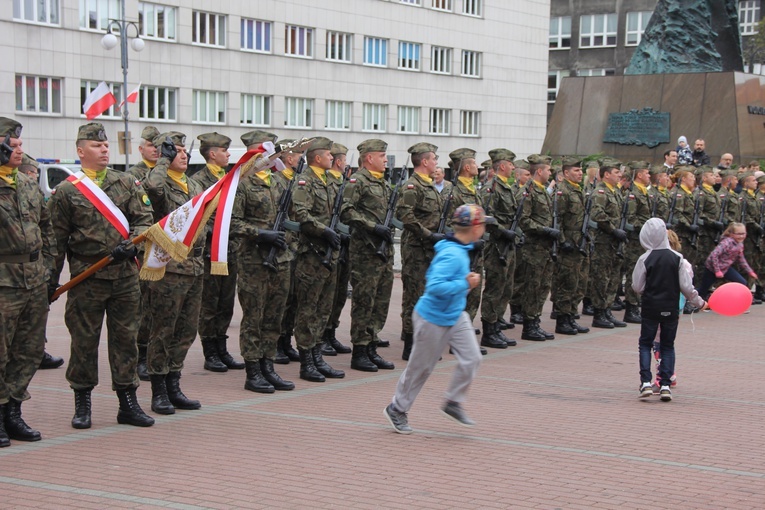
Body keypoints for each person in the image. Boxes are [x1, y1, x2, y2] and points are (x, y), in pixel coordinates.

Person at [49, 122, 154, 429]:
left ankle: (128, 403)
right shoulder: (67, 192)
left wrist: (131, 246)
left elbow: (145, 222)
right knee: (83, 342)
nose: (104, 149)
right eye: (96, 146)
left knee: (126, 340)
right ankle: (82, 403)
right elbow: (56, 241)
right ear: (81, 151)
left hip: (124, 276)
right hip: (86, 278)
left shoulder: (127, 183)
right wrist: (50, 282)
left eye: (106, 145)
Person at [384, 204, 490, 434]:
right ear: (474, 228)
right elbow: (435, 286)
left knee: (472, 358)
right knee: (421, 368)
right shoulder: (452, 254)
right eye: (482, 225)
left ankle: (453, 402)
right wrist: (466, 283)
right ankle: (397, 408)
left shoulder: (462, 248)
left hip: (455, 314)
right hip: (432, 317)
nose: (484, 229)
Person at [0, 118, 56, 446]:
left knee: (30, 349)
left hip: (33, 280)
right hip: (4, 282)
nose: (21, 150)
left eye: (21, 145)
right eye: (14, 145)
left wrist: (47, 268)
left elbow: (46, 227)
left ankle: (14, 412)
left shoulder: (26, 183)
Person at [143, 132, 205, 414]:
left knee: (185, 331)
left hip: (193, 267)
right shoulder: (162, 182)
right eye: (176, 151)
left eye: (183, 150)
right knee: (163, 330)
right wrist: (163, 160)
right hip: (168, 268)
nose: (183, 155)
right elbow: (153, 188)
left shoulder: (193, 184)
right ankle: (158, 389)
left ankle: (173, 383)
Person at [229, 142, 293, 393]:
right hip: (254, 260)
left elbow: (291, 219)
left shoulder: (279, 182)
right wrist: (260, 234)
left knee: (274, 317)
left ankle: (268, 365)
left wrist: (287, 242)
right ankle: (253, 370)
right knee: (254, 318)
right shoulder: (242, 184)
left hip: (281, 259)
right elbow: (232, 223)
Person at [632, 218, 707, 402]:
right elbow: (687, 288)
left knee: (645, 344)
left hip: (651, 307)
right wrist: (700, 303)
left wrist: (649, 289)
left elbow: (636, 285)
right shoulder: (677, 258)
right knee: (667, 345)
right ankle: (665, 384)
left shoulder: (645, 258)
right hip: (671, 308)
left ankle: (646, 382)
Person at [290, 137, 346, 382]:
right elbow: (300, 214)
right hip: (312, 254)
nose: (332, 158)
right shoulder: (305, 181)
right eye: (327, 154)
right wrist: (324, 230)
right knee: (308, 309)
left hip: (330, 254)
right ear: (316, 158)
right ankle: (306, 361)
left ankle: (317, 355)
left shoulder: (330, 183)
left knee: (324, 308)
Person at [340, 139, 397, 372]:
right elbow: (346, 211)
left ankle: (372, 346)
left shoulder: (382, 183)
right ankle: (360, 351)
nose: (386, 159)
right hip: (365, 252)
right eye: (382, 155)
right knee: (364, 302)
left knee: (380, 302)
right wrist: (373, 227)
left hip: (383, 252)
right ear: (369, 158)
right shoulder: (358, 181)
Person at [191, 132, 245, 373]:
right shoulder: (199, 181)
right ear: (212, 154)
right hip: (211, 250)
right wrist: (220, 231)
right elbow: (199, 216)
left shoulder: (231, 179)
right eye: (224, 151)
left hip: (231, 248)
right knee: (209, 302)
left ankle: (221, 347)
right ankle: (210, 351)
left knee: (226, 302)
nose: (228, 155)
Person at [396, 142, 443, 360]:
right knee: (414, 296)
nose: (436, 163)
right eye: (434, 159)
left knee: (428, 295)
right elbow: (406, 217)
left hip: (431, 249)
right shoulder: (412, 187)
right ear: (424, 161)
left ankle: (424, 342)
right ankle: (411, 344)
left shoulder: (430, 185)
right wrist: (428, 234)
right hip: (416, 249)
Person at [17, 153, 65, 370]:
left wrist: (48, 267)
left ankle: (38, 351)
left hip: (35, 270)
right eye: (31, 172)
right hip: (11, 271)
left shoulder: (31, 191)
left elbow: (46, 229)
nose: (34, 177)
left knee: (36, 318)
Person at [127, 126, 159, 381]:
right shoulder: (133, 175)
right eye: (151, 145)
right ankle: (140, 357)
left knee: (159, 306)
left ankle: (155, 355)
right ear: (141, 149)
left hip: (165, 247)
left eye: (159, 145)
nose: (156, 149)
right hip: (144, 247)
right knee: (143, 307)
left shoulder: (170, 172)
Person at [479, 148, 519, 348]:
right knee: (495, 287)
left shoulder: (507, 187)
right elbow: (487, 216)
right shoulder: (490, 188)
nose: (513, 167)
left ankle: (497, 325)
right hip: (496, 245)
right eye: (511, 164)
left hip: (508, 244)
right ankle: (489, 330)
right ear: (502, 165)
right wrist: (503, 231)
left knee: (506, 287)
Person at [550, 156, 590, 335]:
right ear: (566, 173)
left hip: (579, 244)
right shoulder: (562, 191)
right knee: (566, 282)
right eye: (576, 170)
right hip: (567, 245)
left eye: (581, 170)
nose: (580, 173)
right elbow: (557, 219)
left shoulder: (578, 190)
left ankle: (571, 316)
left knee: (578, 282)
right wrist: (563, 240)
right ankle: (562, 319)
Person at [321, 142, 354, 356]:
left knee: (340, 293)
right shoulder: (329, 184)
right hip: (329, 244)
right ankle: (322, 336)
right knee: (328, 295)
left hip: (343, 245)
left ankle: (331, 333)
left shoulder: (342, 183)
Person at [588, 159, 628, 329]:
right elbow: (597, 214)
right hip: (603, 242)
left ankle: (607, 310)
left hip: (615, 242)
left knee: (613, 278)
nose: (620, 175)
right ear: (606, 175)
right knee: (601, 278)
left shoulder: (616, 192)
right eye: (616, 172)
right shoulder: (601, 192)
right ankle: (599, 313)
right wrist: (613, 230)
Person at [696, 223, 757, 300]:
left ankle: (734, 300)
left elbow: (741, 259)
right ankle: (689, 301)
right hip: (712, 268)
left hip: (725, 268)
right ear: (731, 234)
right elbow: (713, 255)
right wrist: (717, 271)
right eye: (738, 234)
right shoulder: (726, 243)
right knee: (703, 290)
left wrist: (750, 271)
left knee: (742, 282)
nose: (741, 236)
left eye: (743, 233)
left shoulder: (740, 244)